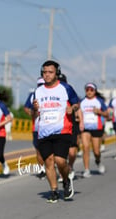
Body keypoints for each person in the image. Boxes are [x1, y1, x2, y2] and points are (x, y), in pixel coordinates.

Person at [32, 60, 80, 203]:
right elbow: (36, 111)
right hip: (44, 130)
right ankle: (54, 191)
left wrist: (73, 108)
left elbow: (76, 103)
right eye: (44, 72)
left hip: (62, 130)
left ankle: (65, 180)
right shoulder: (38, 91)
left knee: (60, 161)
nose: (47, 75)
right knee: (49, 162)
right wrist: (35, 108)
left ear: (57, 73)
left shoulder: (65, 88)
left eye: (50, 72)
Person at [79, 83, 108, 178]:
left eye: (91, 90)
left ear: (95, 91)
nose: (89, 92)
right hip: (85, 128)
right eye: (87, 90)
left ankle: (98, 162)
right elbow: (78, 114)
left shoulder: (99, 101)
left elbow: (107, 114)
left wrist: (99, 112)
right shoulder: (82, 101)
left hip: (96, 127)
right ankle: (86, 170)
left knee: (96, 151)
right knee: (85, 147)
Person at [59, 74, 83, 181]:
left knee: (72, 152)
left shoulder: (69, 91)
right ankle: (62, 173)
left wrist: (73, 109)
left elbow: (77, 106)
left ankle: (70, 166)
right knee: (60, 153)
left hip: (71, 125)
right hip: (57, 127)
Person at [24, 77, 46, 179]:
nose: (41, 87)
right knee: (38, 150)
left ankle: (51, 166)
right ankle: (42, 170)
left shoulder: (52, 94)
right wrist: (32, 113)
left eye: (43, 85)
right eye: (39, 85)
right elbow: (26, 108)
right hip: (37, 128)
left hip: (51, 127)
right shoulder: (33, 95)